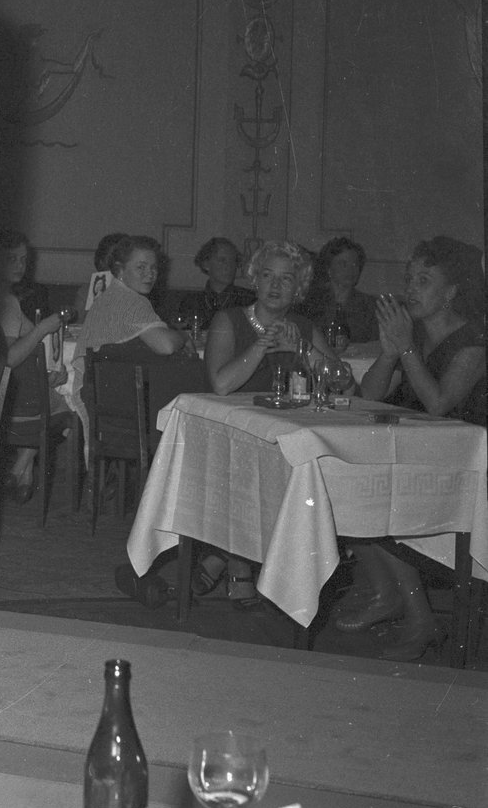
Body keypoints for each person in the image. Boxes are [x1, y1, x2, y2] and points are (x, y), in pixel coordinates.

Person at [336, 236, 486, 660]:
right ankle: (387, 595)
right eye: (409, 278)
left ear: (451, 292)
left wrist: (405, 348)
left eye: (424, 280)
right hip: (419, 457)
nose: (411, 288)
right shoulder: (414, 334)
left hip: (463, 467)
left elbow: (439, 404)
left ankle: (421, 618)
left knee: (374, 494)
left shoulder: (475, 341)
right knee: (342, 483)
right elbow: (370, 395)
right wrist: (390, 354)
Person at [202, 239, 337, 606]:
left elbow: (343, 382)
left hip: (284, 433)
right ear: (255, 280)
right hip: (234, 431)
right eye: (267, 276)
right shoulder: (228, 320)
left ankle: (225, 555)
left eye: (286, 278)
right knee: (255, 464)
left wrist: (302, 349)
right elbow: (222, 384)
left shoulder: (303, 327)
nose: (275, 286)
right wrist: (262, 345)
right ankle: (238, 564)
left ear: (299, 287)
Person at [0, 229, 69, 503]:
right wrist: (44, 328)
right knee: (65, 405)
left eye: (23, 259)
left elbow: (26, 344)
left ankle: (24, 474)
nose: (20, 265)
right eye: (11, 258)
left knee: (49, 395)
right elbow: (8, 358)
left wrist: (45, 376)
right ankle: (20, 469)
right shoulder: (6, 302)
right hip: (10, 403)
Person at [81, 236, 193, 360]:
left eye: (154, 267)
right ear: (120, 270)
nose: (150, 274)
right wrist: (183, 336)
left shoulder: (109, 295)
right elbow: (166, 346)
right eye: (141, 267)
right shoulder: (131, 301)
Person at [299, 236, 378, 344]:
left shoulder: (369, 305)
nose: (350, 269)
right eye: (343, 264)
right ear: (328, 269)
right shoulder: (311, 301)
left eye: (355, 264)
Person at [176, 237, 253, 329]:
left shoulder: (248, 300)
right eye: (222, 260)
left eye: (233, 260)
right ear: (206, 264)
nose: (229, 266)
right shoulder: (191, 302)